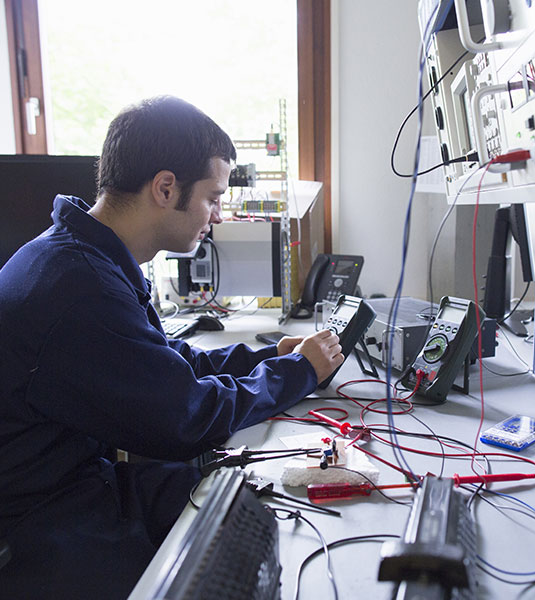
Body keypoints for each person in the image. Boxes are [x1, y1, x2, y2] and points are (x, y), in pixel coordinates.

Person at [0, 96, 343, 599]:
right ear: (165, 188)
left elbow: (167, 365)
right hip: (34, 519)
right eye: (213, 197)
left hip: (67, 483)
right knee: (245, 528)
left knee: (236, 500)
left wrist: (271, 357)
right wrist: (298, 375)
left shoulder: (83, 255)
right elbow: (186, 419)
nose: (218, 215)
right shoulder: (81, 288)